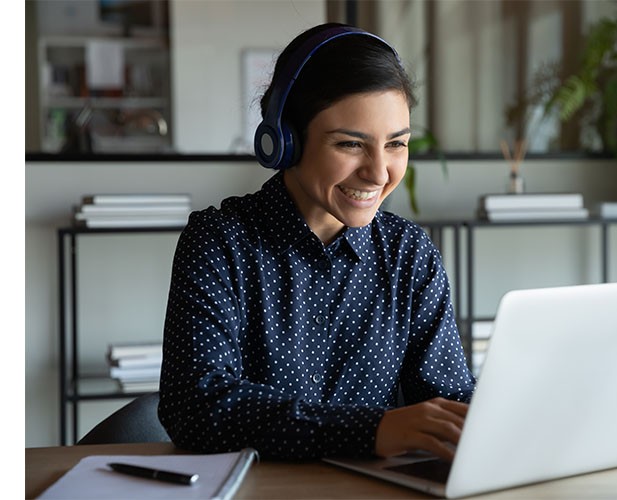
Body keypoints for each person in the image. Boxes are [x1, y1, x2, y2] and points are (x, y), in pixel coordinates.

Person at [158, 22, 475, 462]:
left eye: (397, 144)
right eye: (350, 144)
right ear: (285, 141)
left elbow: (451, 399)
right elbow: (197, 407)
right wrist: (371, 431)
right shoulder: (219, 242)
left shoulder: (408, 253)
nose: (380, 172)